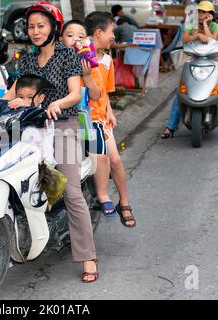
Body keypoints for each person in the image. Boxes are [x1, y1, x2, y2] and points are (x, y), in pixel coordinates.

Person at [1, 2, 99, 283]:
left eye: (41, 26)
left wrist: (55, 104)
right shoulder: (27, 59)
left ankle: (87, 255)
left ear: (53, 28)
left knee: (70, 191)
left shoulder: (68, 55)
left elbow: (74, 93)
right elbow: (13, 92)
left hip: (63, 126)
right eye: (31, 26)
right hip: (31, 127)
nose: (35, 31)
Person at [84, 11, 136, 228]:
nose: (113, 36)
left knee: (115, 159)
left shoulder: (106, 60)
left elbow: (104, 91)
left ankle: (124, 202)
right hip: (80, 119)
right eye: (111, 31)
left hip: (100, 119)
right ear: (98, 33)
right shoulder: (80, 54)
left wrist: (110, 111)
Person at [161, 1, 218, 142]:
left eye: (205, 12)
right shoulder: (191, 25)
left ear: (210, 14)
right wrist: (197, 35)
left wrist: (205, 25)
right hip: (194, 62)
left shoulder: (215, 25)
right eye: (199, 12)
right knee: (180, 94)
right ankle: (170, 127)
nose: (201, 15)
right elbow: (185, 39)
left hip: (214, 63)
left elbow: (212, 40)